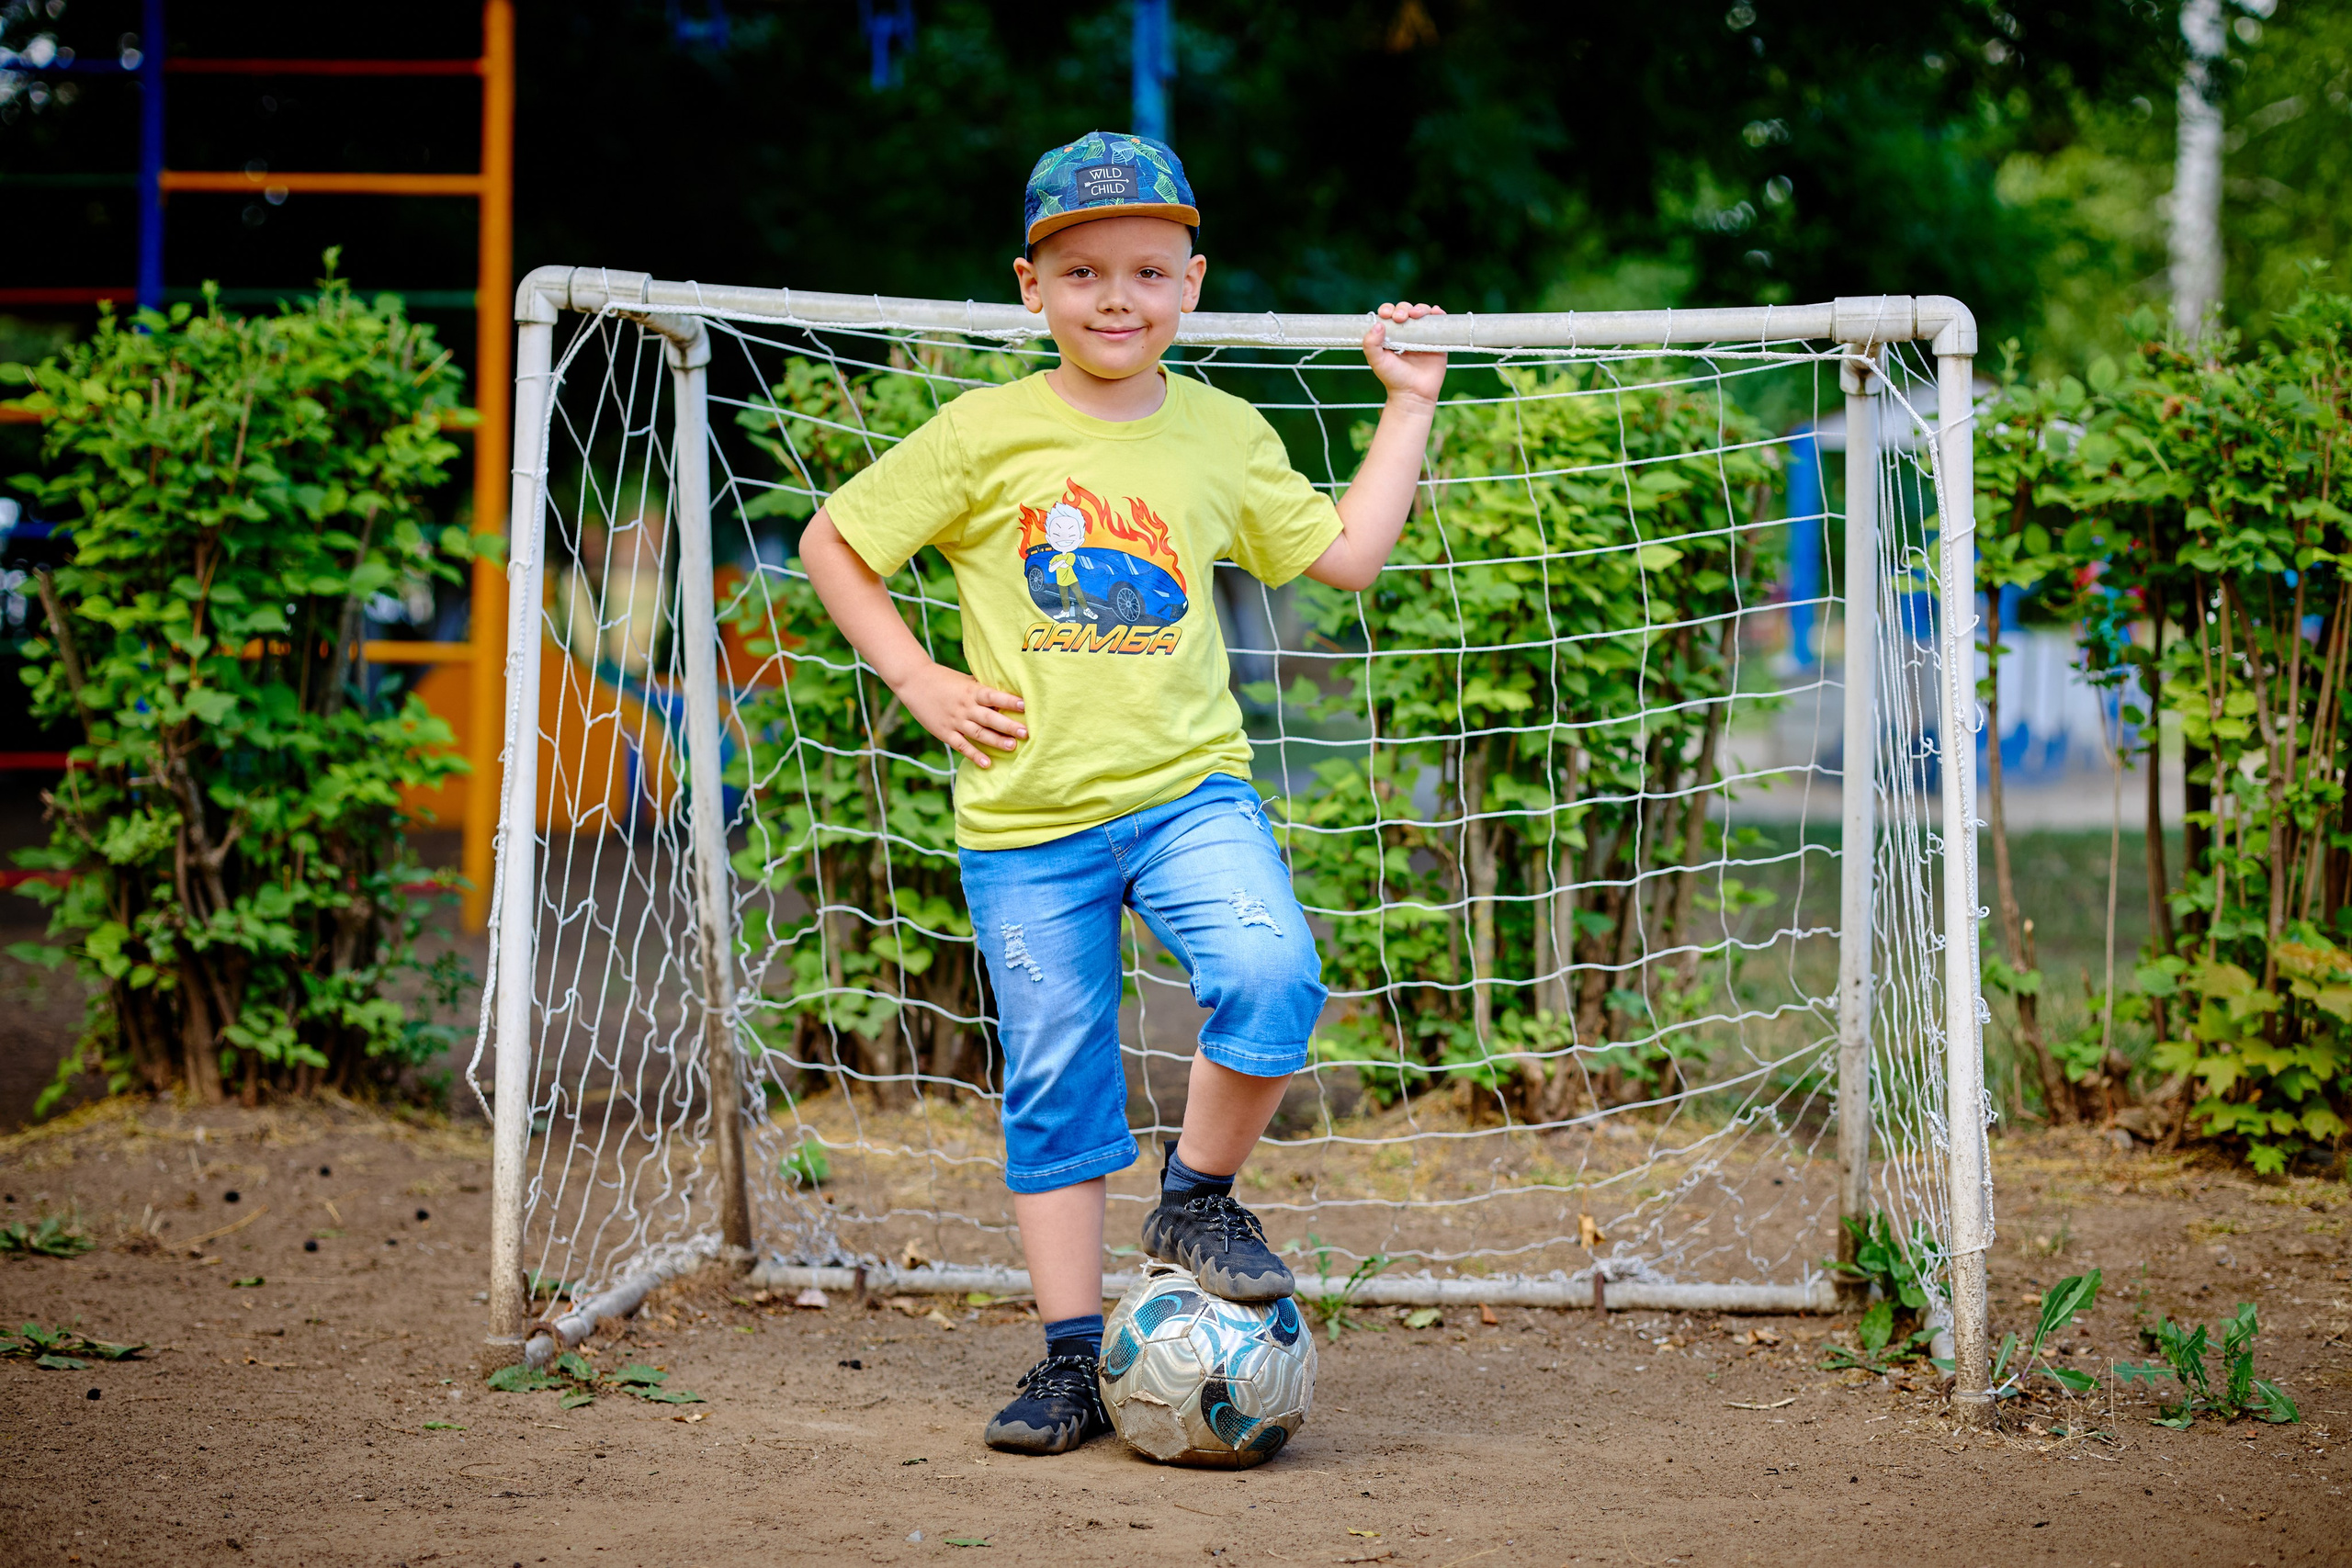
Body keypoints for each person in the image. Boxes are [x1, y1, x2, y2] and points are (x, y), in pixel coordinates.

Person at [799, 129, 1445, 1456]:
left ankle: (1198, 1197)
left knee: (1271, 977)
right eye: (1082, 270)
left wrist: (1409, 401)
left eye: (1148, 270)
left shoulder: (1221, 433)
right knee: (1058, 1085)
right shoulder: (985, 431)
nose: (1115, 297)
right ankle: (1070, 1361)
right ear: (1031, 288)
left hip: (1188, 792)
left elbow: (1350, 558)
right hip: (1028, 822)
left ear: (1191, 285)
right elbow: (834, 543)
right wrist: (919, 679)